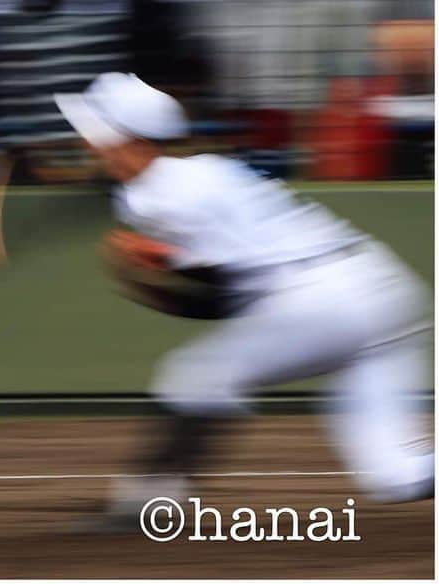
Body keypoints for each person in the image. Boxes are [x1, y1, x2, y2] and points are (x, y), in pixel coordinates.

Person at [53, 72, 433, 530]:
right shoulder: (196, 173)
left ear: (121, 139)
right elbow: (230, 297)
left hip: (324, 299)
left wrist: (151, 271)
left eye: (94, 133)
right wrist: (154, 273)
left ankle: (148, 506)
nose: (87, 143)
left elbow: (219, 303)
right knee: (399, 477)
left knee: (196, 377)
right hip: (379, 288)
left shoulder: (165, 194)